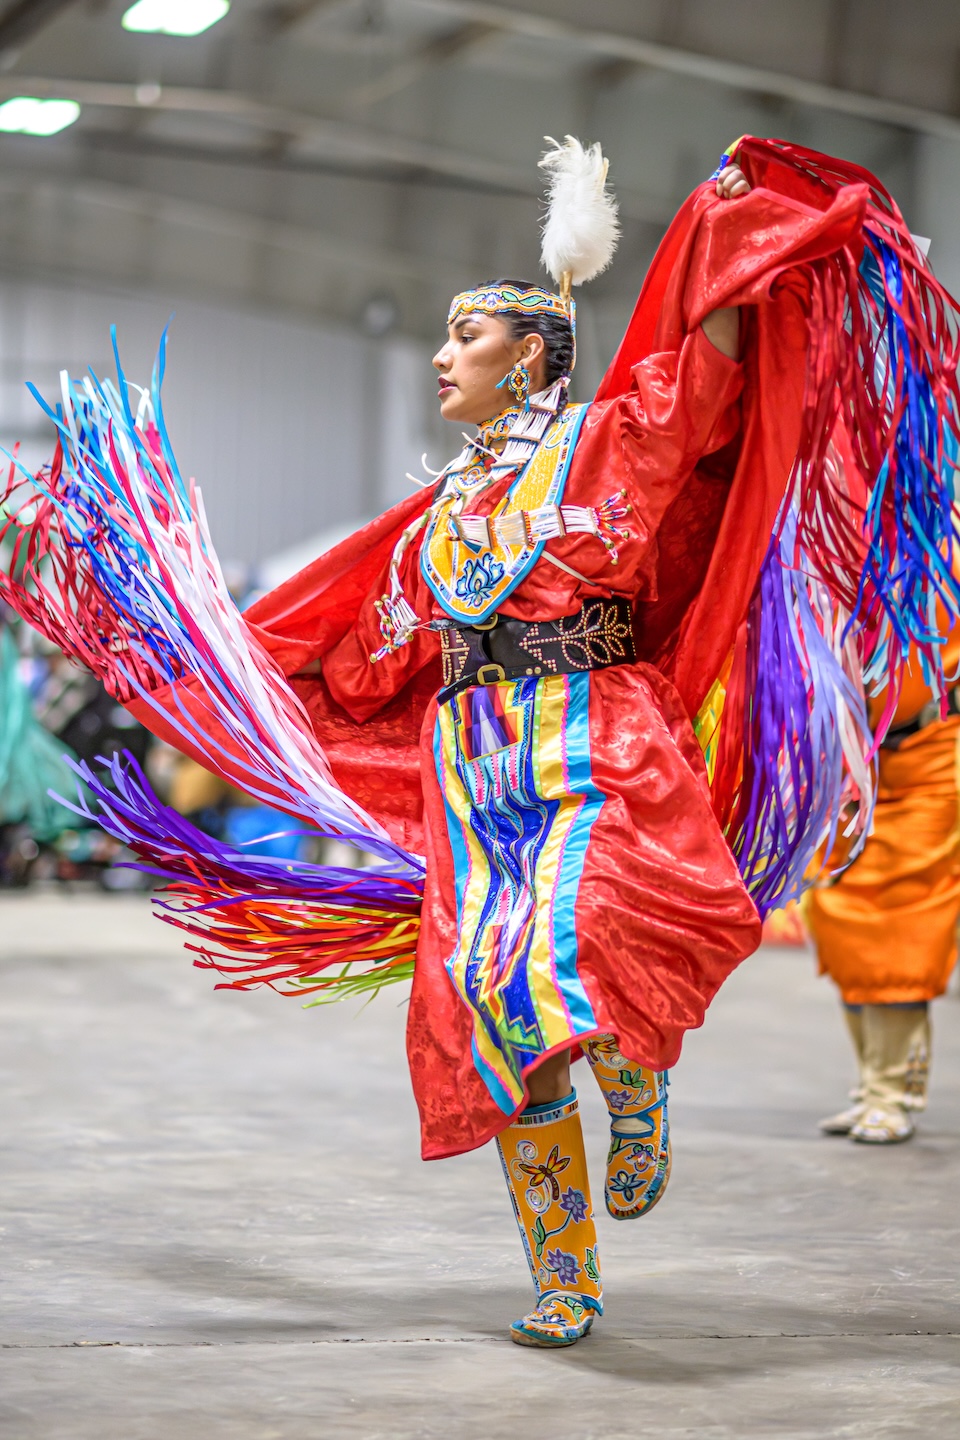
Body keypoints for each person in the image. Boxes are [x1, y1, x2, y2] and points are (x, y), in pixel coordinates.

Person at [2, 136, 958, 1348]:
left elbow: (709, 351)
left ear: (533, 356)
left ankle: (637, 1077)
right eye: (446, 337)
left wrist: (724, 223)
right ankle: (566, 1275)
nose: (446, 356)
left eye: (469, 339)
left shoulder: (611, 443)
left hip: (597, 748)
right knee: (497, 1019)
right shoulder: (437, 517)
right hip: (472, 776)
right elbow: (361, 654)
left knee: (574, 947)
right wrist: (204, 663)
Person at [806, 628, 960, 1144]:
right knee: (837, 915)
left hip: (930, 752)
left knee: (901, 918)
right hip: (843, 759)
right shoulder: (825, 551)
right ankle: (875, 1081)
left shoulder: (941, 552)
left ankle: (888, 1094)